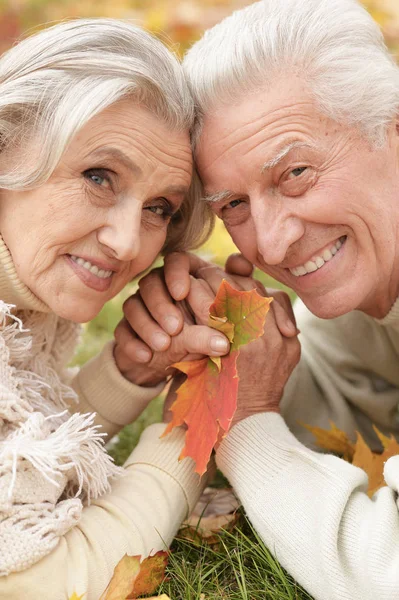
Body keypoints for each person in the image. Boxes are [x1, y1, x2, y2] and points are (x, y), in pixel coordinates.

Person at [119, 1, 399, 598]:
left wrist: (245, 424)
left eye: (295, 172)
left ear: (392, 127)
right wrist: (225, 355)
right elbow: (342, 413)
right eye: (234, 206)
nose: (272, 242)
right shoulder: (370, 279)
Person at [0, 18, 234, 600]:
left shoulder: (24, 313)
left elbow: (21, 461)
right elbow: (44, 581)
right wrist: (194, 421)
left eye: (159, 207)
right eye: (99, 176)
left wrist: (133, 371)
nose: (129, 244)